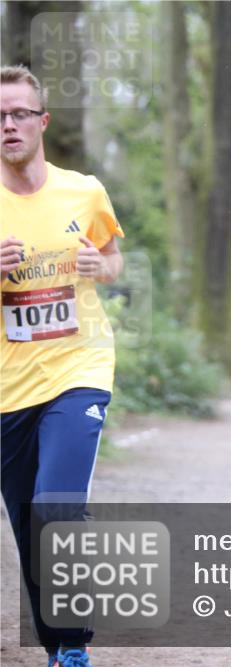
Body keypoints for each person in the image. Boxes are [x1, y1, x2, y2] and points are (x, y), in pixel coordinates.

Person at [1, 64, 124, 667]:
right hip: (8, 388)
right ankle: (57, 643)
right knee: (30, 526)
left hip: (79, 368)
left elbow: (113, 258)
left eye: (20, 113)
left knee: (57, 507)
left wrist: (103, 267)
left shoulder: (84, 191)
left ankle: (74, 646)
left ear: (42, 121)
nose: (9, 125)